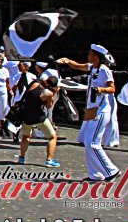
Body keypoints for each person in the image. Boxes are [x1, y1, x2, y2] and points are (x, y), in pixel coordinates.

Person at [58, 44, 120, 181]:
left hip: (101, 110)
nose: (88, 56)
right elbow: (77, 66)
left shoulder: (104, 70)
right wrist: (67, 61)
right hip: (92, 110)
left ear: (96, 56)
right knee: (88, 142)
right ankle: (96, 174)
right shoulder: (92, 68)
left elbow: (112, 88)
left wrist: (100, 90)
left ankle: (111, 170)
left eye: (90, 54)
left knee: (93, 143)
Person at [16, 75, 60, 167]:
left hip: (26, 116)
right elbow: (49, 106)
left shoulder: (35, 83)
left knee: (25, 137)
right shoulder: (48, 93)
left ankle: (22, 158)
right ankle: (49, 160)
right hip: (39, 117)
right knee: (52, 136)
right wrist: (55, 93)